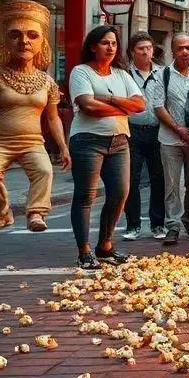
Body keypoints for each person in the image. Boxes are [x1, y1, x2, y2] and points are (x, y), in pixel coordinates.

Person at [0, 1, 70, 232]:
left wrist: (63, 147)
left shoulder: (47, 82)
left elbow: (53, 118)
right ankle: (2, 213)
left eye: (32, 35)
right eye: (16, 35)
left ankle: (36, 213)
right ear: (5, 42)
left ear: (42, 41)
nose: (24, 42)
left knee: (44, 171)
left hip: (33, 142)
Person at [68, 25, 145, 269]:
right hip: (87, 140)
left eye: (113, 43)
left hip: (120, 141)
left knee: (120, 194)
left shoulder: (121, 74)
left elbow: (140, 105)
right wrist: (124, 107)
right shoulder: (81, 72)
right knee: (85, 196)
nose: (110, 47)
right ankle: (84, 251)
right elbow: (87, 106)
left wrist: (110, 99)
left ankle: (105, 246)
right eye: (104, 43)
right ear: (92, 46)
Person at [147, 34, 189, 245]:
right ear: (172, 51)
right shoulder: (162, 75)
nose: (185, 52)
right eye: (180, 48)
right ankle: (172, 226)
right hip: (169, 139)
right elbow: (158, 106)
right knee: (172, 184)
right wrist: (178, 129)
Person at [122, 33, 166, 240]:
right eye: (141, 48)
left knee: (159, 177)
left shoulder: (163, 72)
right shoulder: (123, 74)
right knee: (132, 178)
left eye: (149, 47)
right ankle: (133, 225)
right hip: (132, 131)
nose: (147, 52)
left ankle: (158, 224)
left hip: (157, 130)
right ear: (132, 52)